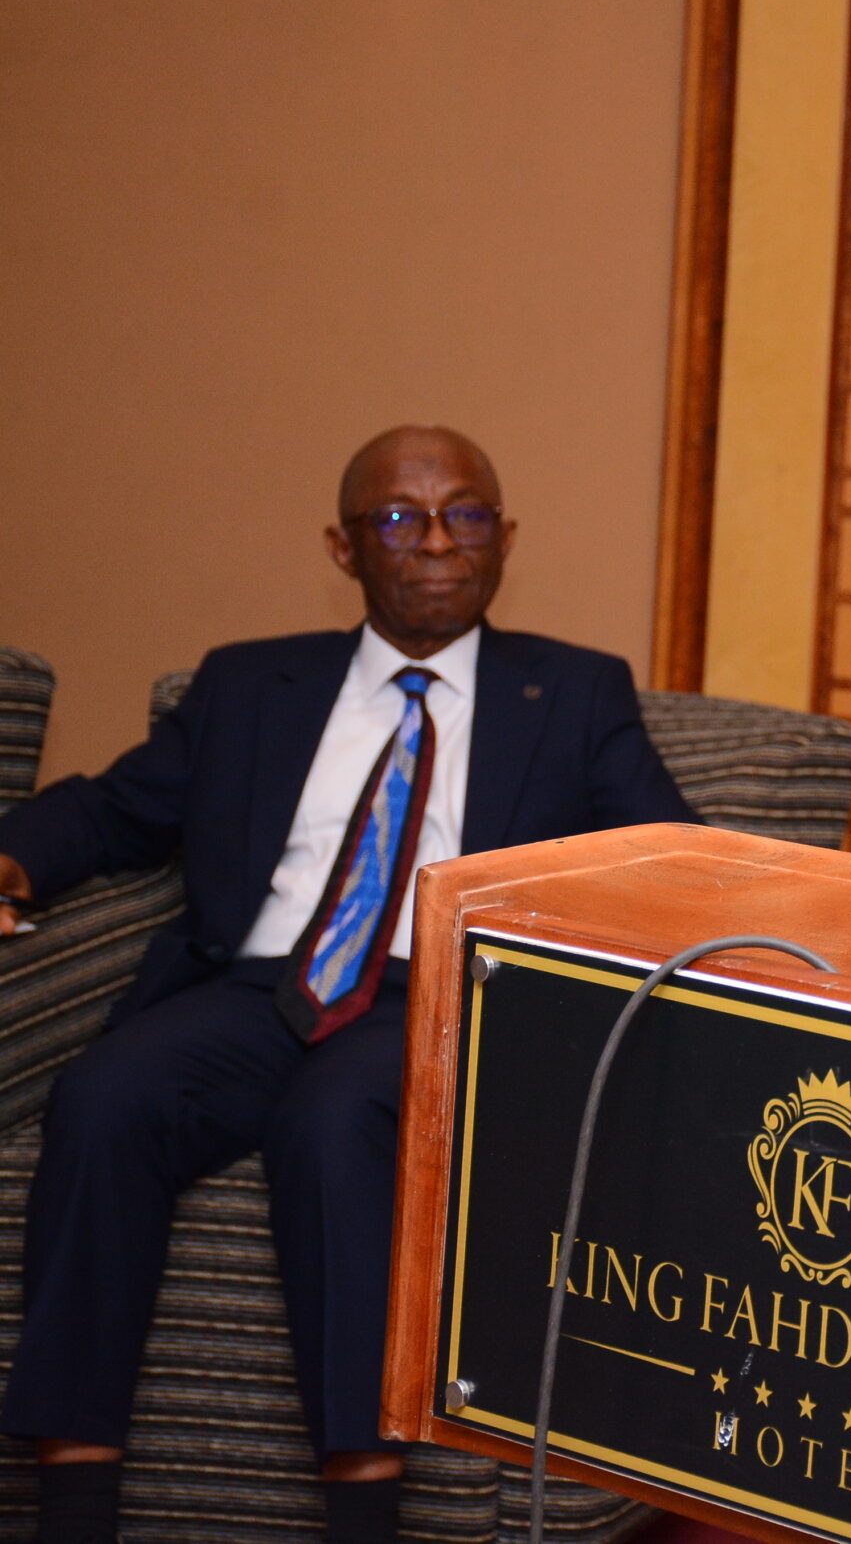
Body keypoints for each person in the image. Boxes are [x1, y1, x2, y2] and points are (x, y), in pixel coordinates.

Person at [0, 426, 696, 1544]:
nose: (438, 542)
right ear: (343, 547)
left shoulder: (571, 693)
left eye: (467, 515)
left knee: (334, 1123)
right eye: (400, 518)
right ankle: (74, 1503)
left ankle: (363, 1506)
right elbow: (117, 809)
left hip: (439, 996)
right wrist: (14, 859)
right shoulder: (248, 684)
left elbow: (670, 855)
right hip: (257, 989)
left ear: (506, 538)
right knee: (103, 1097)